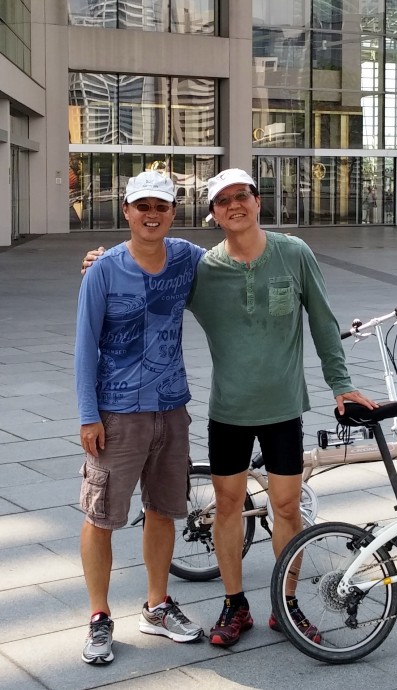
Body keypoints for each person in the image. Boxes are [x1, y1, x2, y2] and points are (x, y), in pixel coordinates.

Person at [81, 167, 377, 649]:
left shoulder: (294, 253)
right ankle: (234, 604)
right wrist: (104, 260)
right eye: (222, 201)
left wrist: (340, 385)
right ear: (213, 214)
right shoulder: (202, 268)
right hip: (229, 412)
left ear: (258, 201)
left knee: (286, 506)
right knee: (227, 506)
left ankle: (287, 603)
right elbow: (150, 263)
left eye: (242, 196)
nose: (234, 205)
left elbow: (323, 322)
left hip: (284, 408)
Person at [75, 170, 205, 664]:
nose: (152, 214)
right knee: (101, 514)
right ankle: (99, 616)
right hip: (117, 412)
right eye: (142, 206)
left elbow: (236, 258)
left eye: (162, 206)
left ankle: (157, 604)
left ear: (173, 212)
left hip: (171, 409)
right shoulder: (105, 269)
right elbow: (85, 345)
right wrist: (89, 415)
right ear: (126, 210)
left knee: (164, 510)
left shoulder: (187, 258)